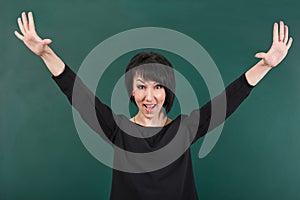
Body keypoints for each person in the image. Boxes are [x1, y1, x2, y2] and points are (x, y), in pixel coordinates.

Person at [15, 11, 293, 200]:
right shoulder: (117, 129)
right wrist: (45, 53)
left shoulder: (185, 128)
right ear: (131, 92)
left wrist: (265, 65)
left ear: (168, 91)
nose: (149, 96)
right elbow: (78, 94)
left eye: (158, 86)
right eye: (141, 87)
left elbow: (228, 100)